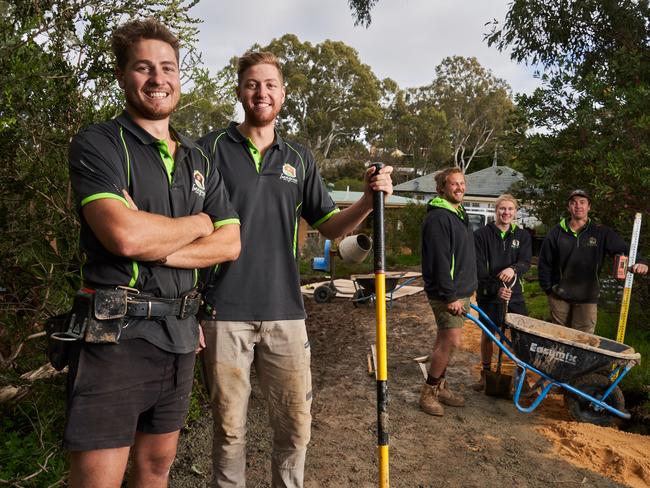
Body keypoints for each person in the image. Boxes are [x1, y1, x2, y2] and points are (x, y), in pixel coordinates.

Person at [197, 51, 393, 488]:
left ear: (282, 94)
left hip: (286, 311)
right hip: (223, 311)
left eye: (270, 84)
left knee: (295, 428)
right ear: (239, 91)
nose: (261, 92)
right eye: (252, 84)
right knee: (229, 430)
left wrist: (365, 198)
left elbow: (330, 225)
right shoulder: (208, 150)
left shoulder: (299, 159)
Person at [66, 19, 240, 487]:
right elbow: (123, 237)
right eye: (143, 67)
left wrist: (159, 244)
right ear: (123, 76)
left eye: (168, 67)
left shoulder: (199, 159)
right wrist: (199, 224)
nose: (158, 78)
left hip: (182, 332)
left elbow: (230, 243)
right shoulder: (98, 144)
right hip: (116, 333)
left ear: (180, 77)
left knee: (156, 470)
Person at [538, 189, 647, 334]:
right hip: (559, 296)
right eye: (573, 203)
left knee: (584, 341)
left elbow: (624, 249)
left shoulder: (601, 232)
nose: (578, 206)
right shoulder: (556, 233)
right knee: (559, 338)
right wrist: (549, 290)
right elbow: (544, 263)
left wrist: (642, 262)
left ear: (589, 207)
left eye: (582, 202)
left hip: (588, 297)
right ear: (568, 207)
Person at [419, 167, 477, 416]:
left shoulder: (457, 212)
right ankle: (428, 393)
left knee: (443, 341)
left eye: (462, 183)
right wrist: (450, 296)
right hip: (447, 293)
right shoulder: (439, 218)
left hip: (459, 290)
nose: (459, 187)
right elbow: (440, 261)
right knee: (450, 342)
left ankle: (440, 386)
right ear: (441, 188)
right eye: (453, 184)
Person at [472, 194, 532, 391]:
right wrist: (496, 289)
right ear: (495, 210)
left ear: (515, 212)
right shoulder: (481, 235)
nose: (506, 212)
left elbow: (525, 263)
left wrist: (513, 269)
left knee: (520, 337)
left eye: (510, 209)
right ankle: (486, 374)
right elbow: (479, 269)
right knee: (488, 334)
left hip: (515, 295)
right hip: (489, 294)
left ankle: (521, 378)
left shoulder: (522, 236)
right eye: (502, 209)